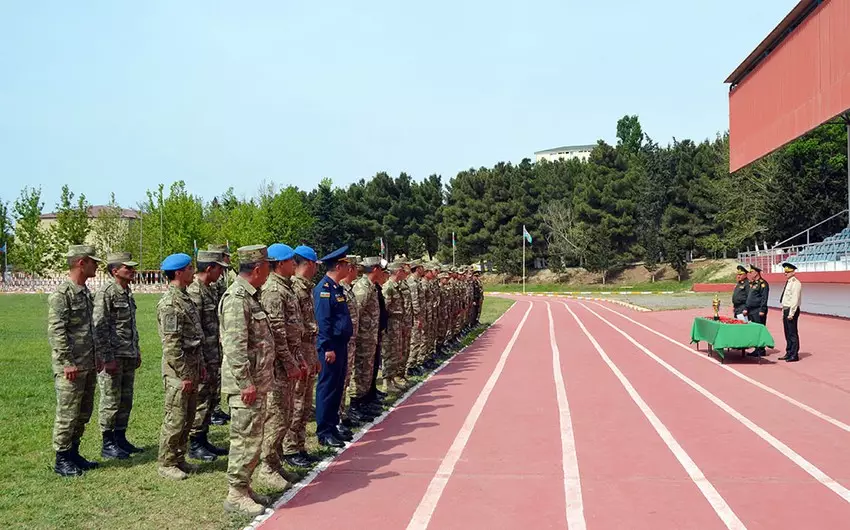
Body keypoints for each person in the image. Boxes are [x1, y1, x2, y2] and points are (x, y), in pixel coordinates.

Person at [219, 245, 275, 515]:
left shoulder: (251, 296)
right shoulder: (237, 299)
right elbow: (235, 347)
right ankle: (235, 493)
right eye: (267, 266)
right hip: (245, 386)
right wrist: (246, 383)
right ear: (257, 268)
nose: (269, 271)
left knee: (252, 438)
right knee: (244, 439)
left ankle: (245, 487)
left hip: (257, 382)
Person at [48, 245, 103, 477]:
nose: (97, 266)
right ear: (81, 262)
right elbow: (57, 331)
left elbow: (90, 329)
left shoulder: (85, 292)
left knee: (83, 412)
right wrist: (66, 362)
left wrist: (97, 355)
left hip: (87, 362)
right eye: (93, 261)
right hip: (71, 365)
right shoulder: (63, 294)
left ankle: (73, 453)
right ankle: (62, 459)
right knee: (68, 413)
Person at [257, 243, 305, 488]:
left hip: (288, 361)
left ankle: (275, 462)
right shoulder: (274, 291)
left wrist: (298, 359)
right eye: (290, 261)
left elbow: (293, 329)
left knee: (285, 415)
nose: (294, 265)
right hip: (277, 365)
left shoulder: (285, 288)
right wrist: (289, 362)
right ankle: (266, 466)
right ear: (280, 264)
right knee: (276, 416)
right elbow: (277, 332)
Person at [156, 253, 206, 481]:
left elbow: (195, 337)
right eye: (188, 269)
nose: (192, 272)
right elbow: (172, 346)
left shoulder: (185, 298)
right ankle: (166, 462)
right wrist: (185, 374)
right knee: (175, 419)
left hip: (192, 368)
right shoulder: (170, 303)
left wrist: (200, 366)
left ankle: (179, 458)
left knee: (188, 417)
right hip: (179, 372)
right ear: (178, 273)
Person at [93, 252, 142, 461]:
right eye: (127, 268)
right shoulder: (106, 292)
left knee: (125, 399)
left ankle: (120, 438)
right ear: (115, 271)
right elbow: (99, 326)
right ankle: (108, 443)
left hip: (127, 354)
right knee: (110, 401)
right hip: (113, 356)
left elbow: (130, 325)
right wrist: (106, 357)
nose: (132, 271)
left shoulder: (126, 292)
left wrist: (136, 350)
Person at [186, 250, 230, 462]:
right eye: (219, 268)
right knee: (201, 399)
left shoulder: (209, 290)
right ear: (209, 268)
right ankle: (195, 442)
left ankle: (203, 439)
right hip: (203, 355)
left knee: (211, 397)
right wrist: (201, 360)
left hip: (214, 353)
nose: (221, 273)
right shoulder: (195, 292)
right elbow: (195, 330)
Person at [282, 245, 321, 468]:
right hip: (299, 352)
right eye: (314, 264)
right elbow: (291, 329)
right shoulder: (295, 289)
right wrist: (298, 358)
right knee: (296, 403)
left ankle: (299, 445)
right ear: (308, 264)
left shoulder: (306, 288)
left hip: (308, 350)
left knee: (305, 404)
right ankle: (290, 448)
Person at [313, 246, 354, 448]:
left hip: (341, 344)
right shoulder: (323, 289)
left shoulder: (337, 288)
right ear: (338, 266)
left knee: (337, 387)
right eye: (346, 264)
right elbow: (323, 321)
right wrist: (327, 347)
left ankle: (332, 425)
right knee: (327, 387)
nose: (349, 268)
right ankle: (323, 431)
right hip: (331, 347)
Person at [350, 257, 384, 420]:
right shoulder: (362, 288)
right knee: (361, 371)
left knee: (367, 370)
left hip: (369, 337)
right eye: (380, 269)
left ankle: (364, 401)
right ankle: (356, 405)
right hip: (362, 339)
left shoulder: (371, 287)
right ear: (375, 269)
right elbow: (355, 315)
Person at [207, 243, 233, 426]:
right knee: (209, 379)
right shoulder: (205, 285)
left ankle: (215, 409)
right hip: (208, 340)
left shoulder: (222, 279)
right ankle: (212, 411)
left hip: (216, 335)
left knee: (215, 376)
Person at [381, 261, 407, 393]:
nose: (404, 273)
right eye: (402, 270)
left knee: (396, 351)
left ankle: (392, 379)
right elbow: (384, 309)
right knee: (388, 352)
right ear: (397, 272)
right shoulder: (388, 287)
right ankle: (386, 381)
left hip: (397, 323)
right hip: (390, 324)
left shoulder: (396, 286)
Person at [779, 262, 803, 363]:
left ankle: (794, 354)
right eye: (785, 272)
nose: (786, 274)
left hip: (791, 309)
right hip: (786, 309)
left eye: (788, 272)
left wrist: (791, 313)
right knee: (787, 333)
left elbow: (795, 300)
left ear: (793, 272)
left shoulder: (796, 283)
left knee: (792, 333)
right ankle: (788, 352)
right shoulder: (789, 282)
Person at [744, 264, 770, 357]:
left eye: (752, 272)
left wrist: (762, 309)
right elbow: (750, 297)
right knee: (755, 330)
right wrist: (746, 308)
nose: (750, 274)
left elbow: (764, 298)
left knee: (759, 330)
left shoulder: (763, 283)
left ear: (757, 273)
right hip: (752, 310)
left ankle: (761, 349)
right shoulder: (754, 283)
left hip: (758, 310)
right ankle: (757, 348)